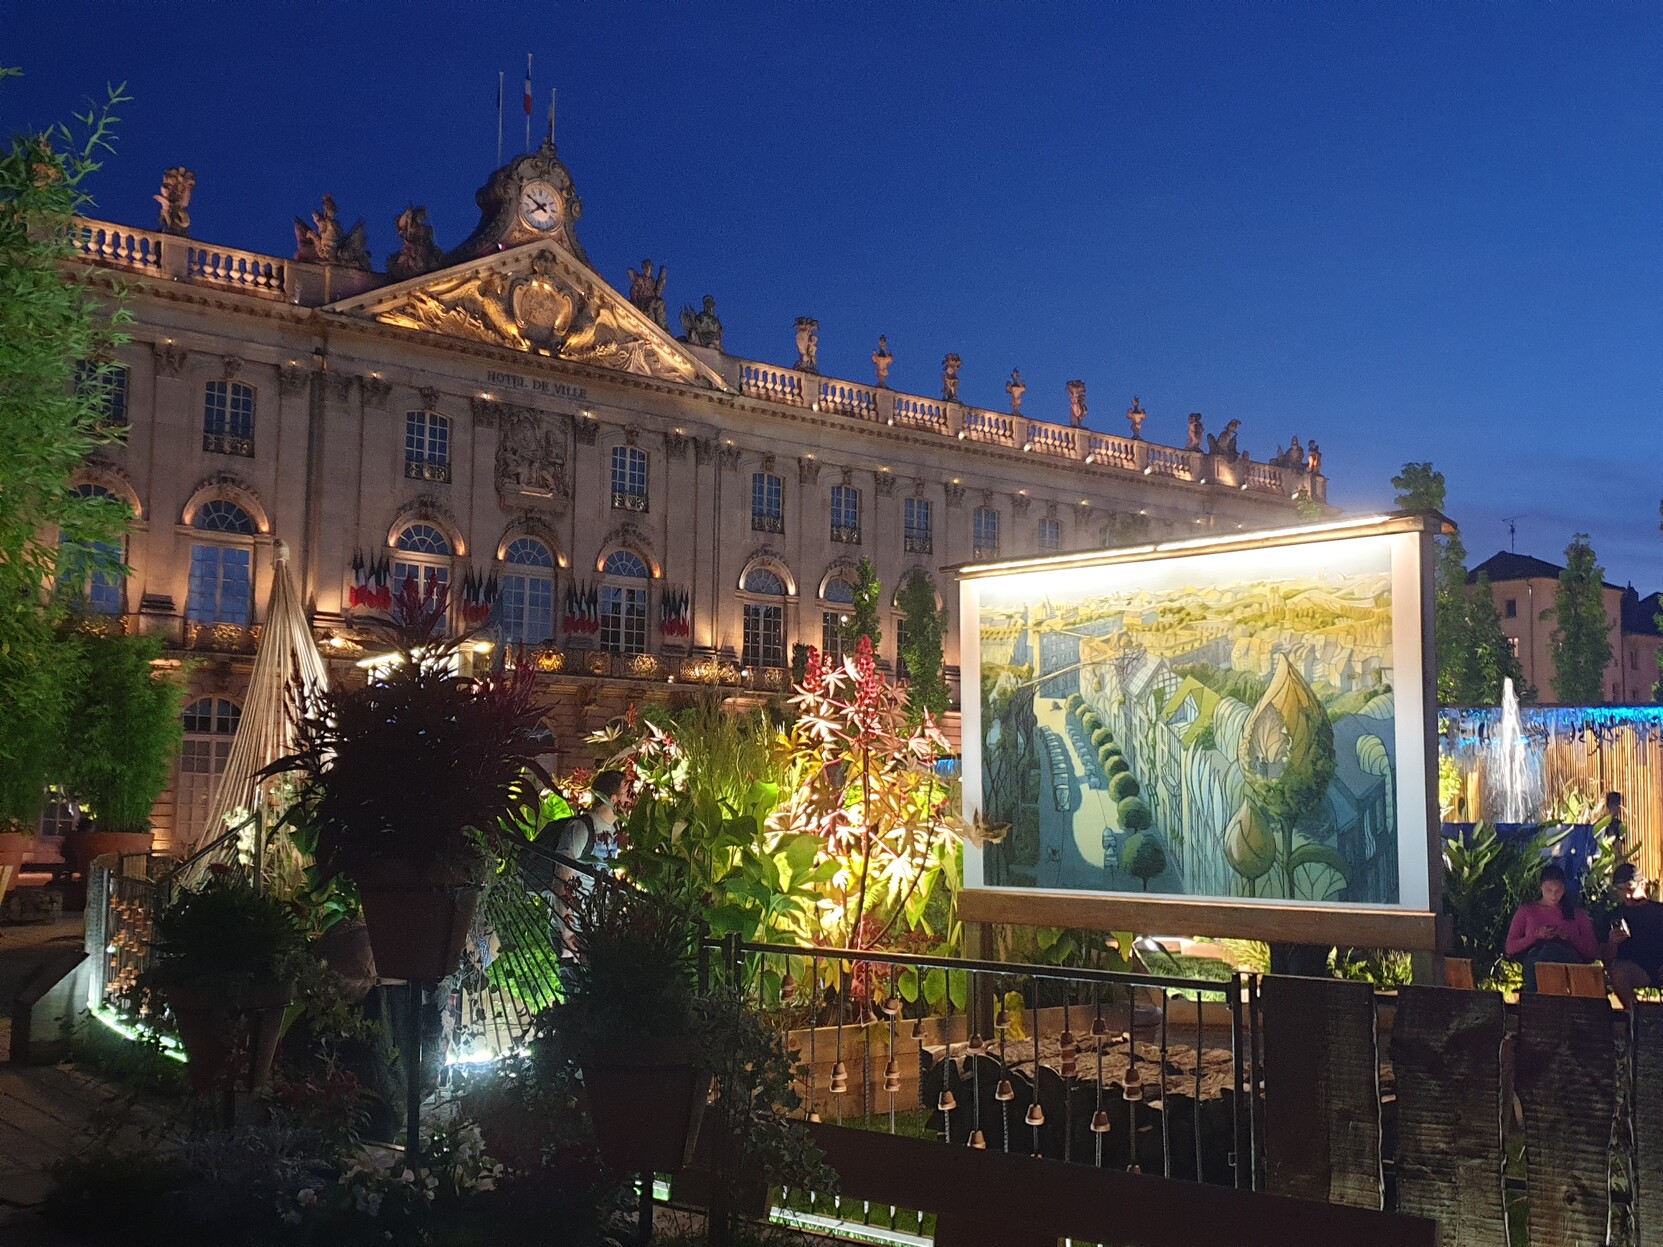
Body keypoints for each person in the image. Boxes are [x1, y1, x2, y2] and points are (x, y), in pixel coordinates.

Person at [1506, 863, 1600, 991]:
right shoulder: (1527, 911)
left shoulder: (1576, 914)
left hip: (1568, 962)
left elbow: (1593, 951)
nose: (1553, 895)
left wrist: (1569, 937)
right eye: (1549, 890)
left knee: (1553, 951)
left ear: (1564, 889)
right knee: (1545, 953)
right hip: (1536, 961)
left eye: (1558, 890)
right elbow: (1510, 948)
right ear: (1541, 887)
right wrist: (1536, 936)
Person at [1604, 863, 1663, 1008]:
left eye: (1630, 889)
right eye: (1620, 890)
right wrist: (1612, 943)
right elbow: (1607, 960)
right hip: (1635, 967)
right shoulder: (1614, 916)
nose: (1626, 895)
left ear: (1642, 884)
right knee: (1617, 972)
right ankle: (1634, 1016)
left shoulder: (1659, 911)